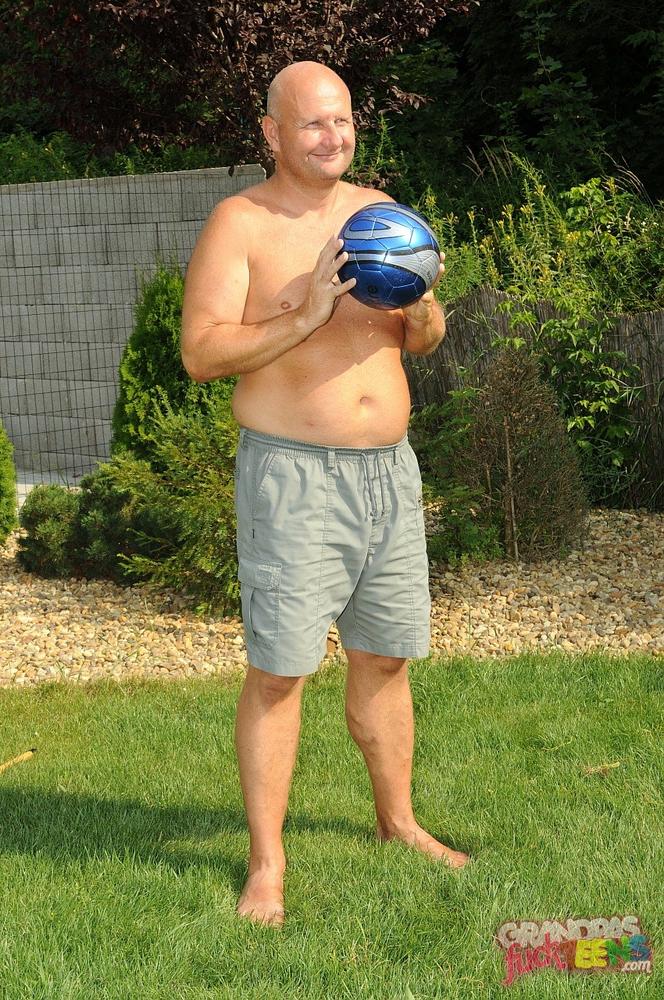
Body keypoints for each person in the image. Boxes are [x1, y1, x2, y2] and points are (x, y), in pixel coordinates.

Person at [180, 60, 470, 928]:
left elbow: (419, 340)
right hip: (294, 479)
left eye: (342, 120)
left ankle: (398, 822)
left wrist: (424, 309)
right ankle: (266, 865)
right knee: (279, 673)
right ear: (272, 133)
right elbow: (200, 352)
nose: (332, 136)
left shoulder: (381, 214)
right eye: (312, 122)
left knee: (386, 658)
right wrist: (301, 316)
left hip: (390, 475)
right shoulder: (240, 223)